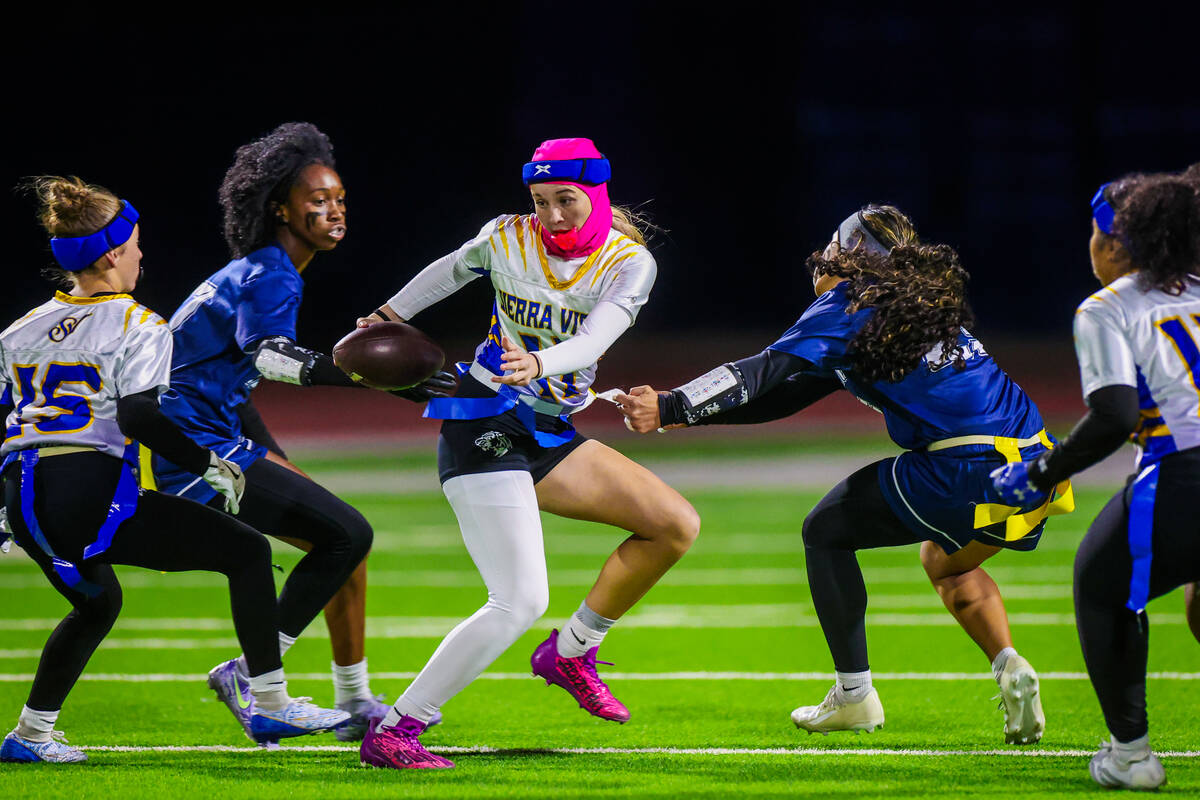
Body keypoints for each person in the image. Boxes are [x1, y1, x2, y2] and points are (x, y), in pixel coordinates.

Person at [619, 205, 1070, 744]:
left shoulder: (849, 302)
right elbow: (783, 397)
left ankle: (854, 697)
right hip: (1037, 464)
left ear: (850, 258)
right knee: (946, 564)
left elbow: (759, 371)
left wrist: (672, 405)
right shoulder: (916, 308)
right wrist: (682, 418)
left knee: (826, 531)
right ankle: (1009, 664)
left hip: (966, 467)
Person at [353, 137, 700, 770]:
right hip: (482, 418)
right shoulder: (506, 236)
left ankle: (570, 652)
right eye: (540, 201)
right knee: (518, 600)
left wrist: (540, 362)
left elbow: (600, 334)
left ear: (596, 194)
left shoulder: (630, 263)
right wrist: (387, 315)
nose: (553, 216)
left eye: (566, 199)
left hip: (545, 428)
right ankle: (398, 729)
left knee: (673, 525)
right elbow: (450, 268)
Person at [0, 177, 349, 764]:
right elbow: (138, 415)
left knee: (96, 603)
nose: (141, 254)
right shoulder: (139, 324)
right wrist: (208, 463)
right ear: (111, 254)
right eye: (134, 244)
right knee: (245, 552)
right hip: (84, 490)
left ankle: (31, 735)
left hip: (25, 492)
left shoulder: (19, 330)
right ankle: (267, 697)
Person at [152, 123, 454, 741]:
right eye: (317, 199)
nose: (333, 210)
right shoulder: (273, 274)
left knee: (345, 541)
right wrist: (375, 380)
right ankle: (255, 679)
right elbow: (267, 357)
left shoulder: (255, 269)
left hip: (212, 428)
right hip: (192, 447)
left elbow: (227, 381)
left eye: (339, 197)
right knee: (348, 533)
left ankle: (355, 701)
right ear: (280, 208)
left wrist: (273, 454)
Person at [991, 169, 1200, 790]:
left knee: (1102, 585)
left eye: (1093, 231)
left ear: (1115, 244)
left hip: (1186, 468)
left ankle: (1131, 756)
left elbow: (1115, 415)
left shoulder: (1108, 308)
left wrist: (1043, 471)